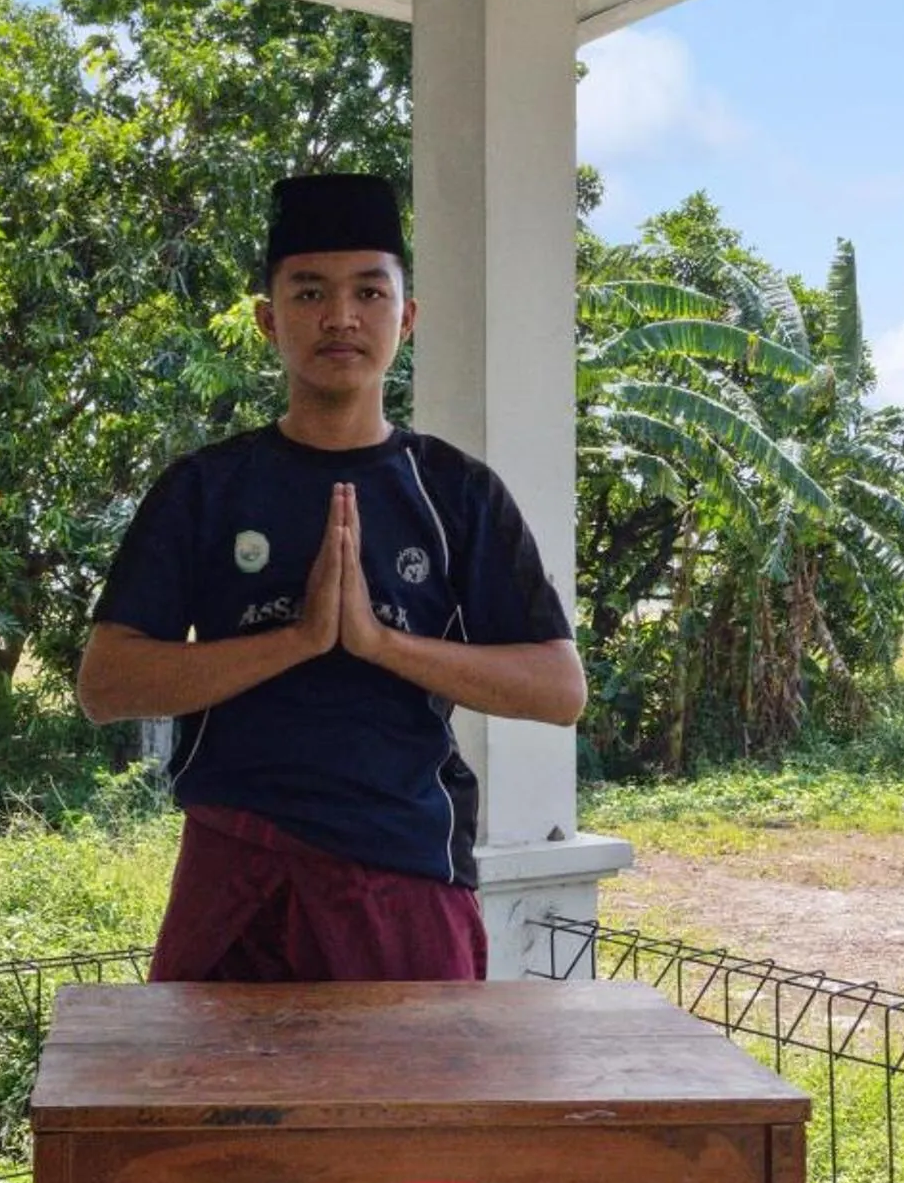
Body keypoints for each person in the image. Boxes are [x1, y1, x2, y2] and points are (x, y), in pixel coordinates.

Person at [75, 173, 586, 982]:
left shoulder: (454, 492)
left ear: (405, 318)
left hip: (404, 868)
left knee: (406, 1113)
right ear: (268, 320)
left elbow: (559, 690)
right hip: (234, 865)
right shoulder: (207, 488)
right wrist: (300, 639)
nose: (340, 317)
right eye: (309, 292)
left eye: (368, 292)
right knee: (215, 1110)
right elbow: (107, 685)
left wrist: (378, 642)